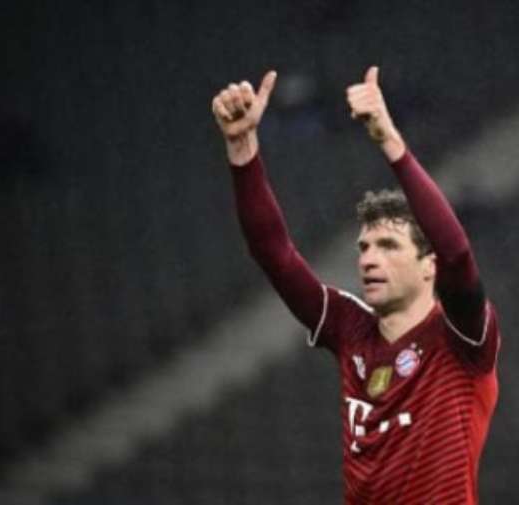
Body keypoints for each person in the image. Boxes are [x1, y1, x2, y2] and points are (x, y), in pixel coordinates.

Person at [212, 66, 501, 504]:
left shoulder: (462, 338)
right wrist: (242, 150)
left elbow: (458, 254)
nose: (368, 258)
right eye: (364, 247)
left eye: (387, 246)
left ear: (429, 266)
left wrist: (389, 140)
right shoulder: (350, 327)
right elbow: (274, 254)